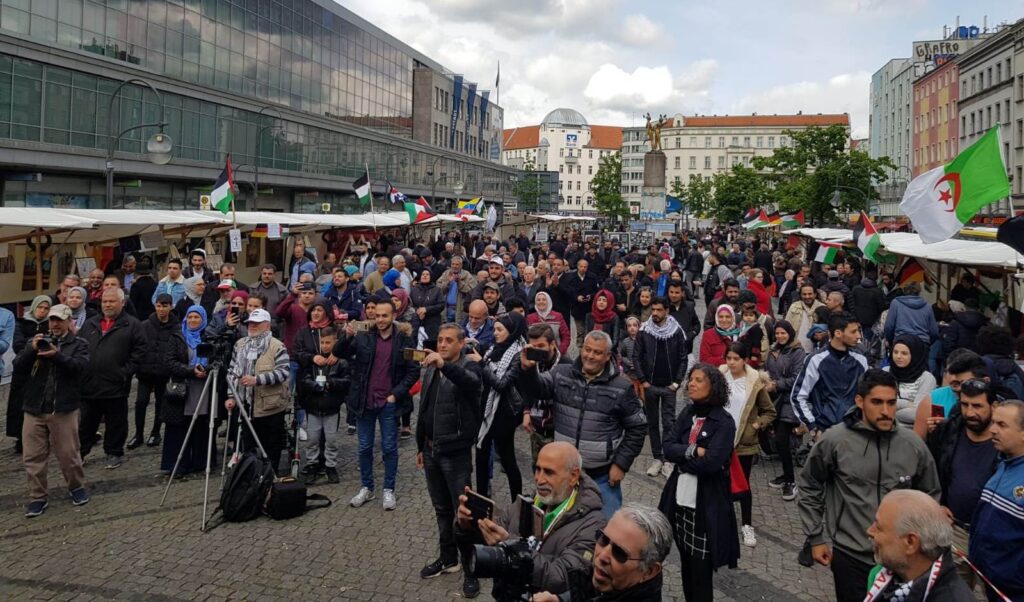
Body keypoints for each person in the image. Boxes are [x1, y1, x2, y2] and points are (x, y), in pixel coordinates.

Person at [797, 369, 941, 602]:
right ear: (860, 401)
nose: (886, 411)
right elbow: (810, 484)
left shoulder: (913, 445)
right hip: (850, 557)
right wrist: (816, 537)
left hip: (900, 560)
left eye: (891, 403)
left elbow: (930, 495)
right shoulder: (835, 440)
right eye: (877, 402)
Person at [519, 330, 647, 516]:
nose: (590, 356)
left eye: (597, 352)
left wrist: (621, 464)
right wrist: (529, 370)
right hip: (564, 473)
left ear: (607, 356)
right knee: (555, 524)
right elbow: (538, 388)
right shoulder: (562, 373)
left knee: (603, 529)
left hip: (602, 476)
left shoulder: (622, 387)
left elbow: (638, 427)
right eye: (587, 350)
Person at [455, 442, 606, 598]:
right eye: (537, 469)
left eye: (548, 472)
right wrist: (466, 526)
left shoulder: (592, 524)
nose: (539, 479)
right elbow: (484, 544)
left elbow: (562, 577)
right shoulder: (529, 501)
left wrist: (512, 546)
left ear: (573, 476)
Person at [659, 364, 740, 602]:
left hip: (705, 508)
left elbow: (712, 464)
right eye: (690, 379)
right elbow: (668, 447)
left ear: (713, 386)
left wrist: (682, 459)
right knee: (686, 565)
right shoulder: (688, 413)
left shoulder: (724, 422)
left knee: (701, 573)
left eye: (698, 380)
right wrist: (694, 451)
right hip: (679, 502)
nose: (691, 384)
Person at [416, 323, 484, 599]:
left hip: (455, 453)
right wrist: (421, 445)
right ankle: (448, 558)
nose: (442, 344)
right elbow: (424, 408)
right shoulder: (433, 367)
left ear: (460, 344)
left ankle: (471, 568)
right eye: (440, 340)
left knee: (464, 514)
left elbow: (471, 383)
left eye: (448, 341)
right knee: (441, 509)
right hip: (432, 451)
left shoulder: (470, 366)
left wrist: (444, 364)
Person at [332, 299, 418, 510]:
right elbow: (339, 353)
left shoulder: (404, 339)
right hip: (364, 401)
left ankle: (389, 489)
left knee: (389, 448)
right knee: (364, 447)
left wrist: (395, 395)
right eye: (377, 315)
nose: (379, 319)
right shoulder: (363, 336)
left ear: (393, 316)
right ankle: (366, 487)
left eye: (384, 316)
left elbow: (413, 370)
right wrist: (347, 336)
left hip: (388, 403)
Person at [924, 377, 1000, 591]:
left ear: (993, 406)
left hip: (992, 538)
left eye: (977, 406)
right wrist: (935, 504)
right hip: (955, 532)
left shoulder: (1004, 440)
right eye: (965, 404)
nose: (969, 412)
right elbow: (929, 474)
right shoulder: (948, 432)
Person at [16, 304, 91, 518]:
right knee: (33, 457)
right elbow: (18, 366)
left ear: (69, 321)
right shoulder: (37, 341)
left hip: (64, 409)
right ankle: (37, 497)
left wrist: (57, 356)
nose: (55, 324)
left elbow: (81, 369)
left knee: (69, 454)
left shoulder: (78, 344)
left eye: (59, 320)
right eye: (52, 320)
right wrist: (32, 349)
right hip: (34, 408)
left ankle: (76, 487)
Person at [532, 504, 672, 602]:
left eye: (619, 553)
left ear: (649, 571)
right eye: (603, 539)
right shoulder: (606, 582)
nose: (602, 556)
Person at [77, 287, 146, 469]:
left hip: (115, 384)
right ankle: (81, 452)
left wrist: (125, 372)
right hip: (89, 384)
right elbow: (81, 347)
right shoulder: (90, 324)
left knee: (116, 422)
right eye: (104, 301)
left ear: (122, 303)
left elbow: (139, 352)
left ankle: (114, 452)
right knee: (86, 422)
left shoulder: (132, 325)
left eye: (111, 301)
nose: (107, 304)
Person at [864, 490, 974, 601]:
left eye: (878, 527)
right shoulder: (888, 577)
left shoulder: (952, 598)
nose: (870, 531)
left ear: (910, 542)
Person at [968, 399, 1024, 601]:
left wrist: (1014, 576)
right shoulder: (1003, 465)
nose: (992, 430)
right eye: (993, 422)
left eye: (1002, 425)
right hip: (990, 582)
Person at [721, 343, 775, 548]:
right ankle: (723, 522)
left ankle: (746, 525)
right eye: (729, 358)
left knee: (743, 485)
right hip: (722, 440)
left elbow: (769, 411)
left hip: (743, 442)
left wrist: (756, 425)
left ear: (744, 360)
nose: (732, 362)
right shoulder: (720, 377)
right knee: (721, 482)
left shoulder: (754, 383)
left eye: (736, 358)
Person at [468, 312, 527, 501]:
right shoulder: (494, 348)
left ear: (511, 331)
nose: (495, 333)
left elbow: (501, 384)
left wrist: (482, 364)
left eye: (500, 330)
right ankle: (482, 498)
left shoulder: (518, 354)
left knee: (507, 458)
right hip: (486, 408)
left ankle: (517, 502)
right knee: (481, 455)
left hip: (504, 413)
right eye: (494, 329)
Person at [224, 308, 290, 474]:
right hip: (246, 406)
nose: (252, 326)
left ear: (267, 325)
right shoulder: (240, 345)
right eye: (250, 323)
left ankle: (270, 478)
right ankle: (252, 481)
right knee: (249, 448)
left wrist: (257, 380)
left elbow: (283, 372)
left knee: (271, 448)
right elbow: (232, 371)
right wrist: (231, 395)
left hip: (271, 406)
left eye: (256, 323)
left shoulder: (277, 346)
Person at [633, 296, 689, 480]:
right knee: (652, 423)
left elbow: (683, 358)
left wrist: (677, 382)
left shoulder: (676, 332)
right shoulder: (644, 331)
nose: (655, 313)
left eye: (658, 310)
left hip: (669, 386)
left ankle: (668, 459)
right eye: (653, 310)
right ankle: (657, 457)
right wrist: (643, 380)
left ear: (667, 311)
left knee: (669, 423)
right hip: (650, 385)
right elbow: (637, 356)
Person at [791, 313, 869, 435]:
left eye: (858, 331)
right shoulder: (816, 360)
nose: (858, 336)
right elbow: (798, 396)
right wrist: (813, 427)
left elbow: (867, 396)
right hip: (825, 430)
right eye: (853, 332)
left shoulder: (861, 361)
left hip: (855, 430)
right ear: (838, 333)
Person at [161, 305, 216, 476]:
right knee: (178, 427)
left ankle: (200, 461)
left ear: (203, 319)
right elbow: (169, 361)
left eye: (197, 317)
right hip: (182, 387)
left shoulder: (209, 337)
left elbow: (216, 359)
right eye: (190, 317)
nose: (193, 320)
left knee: (201, 425)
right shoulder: (178, 337)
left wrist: (206, 369)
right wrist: (190, 370)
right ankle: (177, 464)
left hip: (203, 388)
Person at [297, 327, 348, 484]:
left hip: (331, 408)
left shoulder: (341, 362)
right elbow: (304, 380)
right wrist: (314, 386)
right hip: (313, 407)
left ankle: (330, 466)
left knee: (331, 440)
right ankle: (312, 465)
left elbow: (347, 381)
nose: (325, 346)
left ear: (335, 342)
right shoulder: (313, 362)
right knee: (312, 440)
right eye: (323, 342)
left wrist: (331, 383)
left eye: (328, 343)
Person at [763, 320, 807, 501]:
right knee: (776, 440)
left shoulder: (798, 352)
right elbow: (767, 371)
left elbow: (797, 378)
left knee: (782, 439)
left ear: (790, 333)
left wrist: (776, 385)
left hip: (789, 401)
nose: (780, 336)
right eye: (777, 333)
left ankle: (790, 481)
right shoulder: (773, 351)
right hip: (774, 400)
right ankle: (785, 476)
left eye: (783, 333)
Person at [517, 323, 572, 465]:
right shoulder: (532, 362)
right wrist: (527, 410)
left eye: (541, 346)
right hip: (537, 426)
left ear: (552, 344)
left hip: (557, 430)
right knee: (538, 468)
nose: (537, 351)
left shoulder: (566, 365)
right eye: (533, 347)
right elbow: (527, 388)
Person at [129, 294, 179, 449]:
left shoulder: (176, 327)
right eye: (159, 305)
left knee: (160, 403)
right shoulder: (145, 325)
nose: (161, 309)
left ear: (170, 307)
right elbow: (138, 346)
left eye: (165, 306)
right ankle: (138, 434)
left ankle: (155, 432)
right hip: (146, 370)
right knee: (141, 402)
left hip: (163, 372)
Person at [6, 295, 51, 454]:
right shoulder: (22, 323)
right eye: (40, 307)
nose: (42, 311)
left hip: (43, 370)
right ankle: (20, 437)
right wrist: (34, 343)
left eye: (46, 308)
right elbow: (18, 344)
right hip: (24, 370)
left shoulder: (50, 323)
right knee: (20, 405)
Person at [885, 335, 937, 427]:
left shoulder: (926, 378)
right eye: (895, 352)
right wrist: (907, 404)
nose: (898, 356)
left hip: (911, 432)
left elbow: (918, 412)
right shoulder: (884, 372)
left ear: (915, 355)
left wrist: (889, 411)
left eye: (904, 353)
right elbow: (874, 403)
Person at [784, 283, 825, 354]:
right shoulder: (794, 306)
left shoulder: (822, 308)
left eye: (810, 294)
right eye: (804, 294)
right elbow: (787, 326)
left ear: (815, 294)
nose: (807, 296)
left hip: (816, 350)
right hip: (796, 348)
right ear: (800, 295)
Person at [410, 268, 445, 350]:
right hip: (416, 323)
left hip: (432, 325)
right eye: (423, 274)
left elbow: (441, 305)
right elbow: (410, 305)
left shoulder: (437, 290)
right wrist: (418, 311)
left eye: (427, 274)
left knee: (430, 348)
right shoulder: (414, 290)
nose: (425, 276)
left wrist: (426, 309)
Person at [528, 291, 571, 357]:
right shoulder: (530, 318)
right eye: (538, 300)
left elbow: (566, 337)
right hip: (537, 355)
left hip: (558, 354)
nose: (541, 302)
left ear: (548, 301)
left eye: (544, 299)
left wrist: (559, 351)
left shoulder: (558, 316)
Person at [437, 256, 476, 323]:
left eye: (457, 264)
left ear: (461, 265)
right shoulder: (446, 273)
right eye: (453, 264)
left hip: (460, 310)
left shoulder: (467, 275)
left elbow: (471, 291)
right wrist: (448, 282)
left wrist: (459, 282)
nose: (455, 266)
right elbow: (438, 288)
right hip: (447, 309)